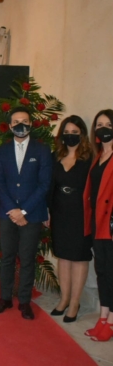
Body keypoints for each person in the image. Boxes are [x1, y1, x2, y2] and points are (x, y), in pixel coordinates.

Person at [0, 106, 52, 320]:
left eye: (24, 121)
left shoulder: (42, 150)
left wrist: (23, 210)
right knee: (7, 257)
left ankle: (24, 301)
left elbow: (44, 185)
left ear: (31, 124)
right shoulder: (2, 150)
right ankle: (5, 297)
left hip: (31, 214)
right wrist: (12, 210)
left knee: (27, 259)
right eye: (16, 122)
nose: (20, 125)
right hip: (8, 212)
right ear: (9, 125)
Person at [47, 115, 92, 323]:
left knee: (79, 257)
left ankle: (75, 302)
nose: (71, 136)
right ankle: (64, 299)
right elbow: (49, 187)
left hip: (81, 213)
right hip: (59, 212)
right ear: (61, 135)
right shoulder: (55, 156)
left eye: (75, 133)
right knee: (63, 256)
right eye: (67, 132)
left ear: (82, 135)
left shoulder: (90, 157)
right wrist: (47, 211)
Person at [83, 109, 113, 341]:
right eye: (99, 125)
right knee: (102, 271)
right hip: (97, 223)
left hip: (111, 225)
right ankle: (102, 317)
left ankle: (111, 322)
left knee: (111, 273)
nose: (103, 129)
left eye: (108, 125)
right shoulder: (98, 156)